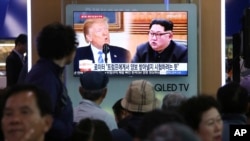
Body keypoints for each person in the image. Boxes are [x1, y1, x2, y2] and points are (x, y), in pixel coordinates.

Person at [24, 22, 77, 141]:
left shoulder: (47, 72)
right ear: (67, 49)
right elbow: (41, 118)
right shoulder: (45, 77)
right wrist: (69, 129)